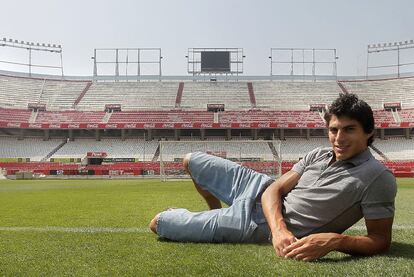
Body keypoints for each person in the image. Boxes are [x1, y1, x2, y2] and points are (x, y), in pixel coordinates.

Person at [149, 93, 397, 261]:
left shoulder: (377, 177)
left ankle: (215, 219)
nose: (339, 138)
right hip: (258, 187)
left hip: (255, 223)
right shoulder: (319, 153)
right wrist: (280, 231)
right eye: (334, 130)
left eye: (349, 129)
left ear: (369, 132)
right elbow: (273, 190)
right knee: (191, 160)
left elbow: (380, 240)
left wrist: (337, 241)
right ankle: (214, 212)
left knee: (158, 223)